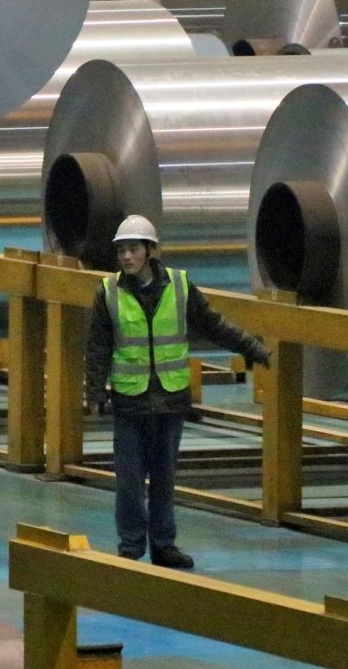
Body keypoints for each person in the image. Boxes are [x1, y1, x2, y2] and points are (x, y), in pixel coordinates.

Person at [85, 215, 270, 569]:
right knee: (128, 482)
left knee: (165, 479)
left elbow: (214, 325)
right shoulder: (108, 293)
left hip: (170, 400)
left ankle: (164, 545)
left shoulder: (181, 287)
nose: (126, 257)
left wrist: (253, 348)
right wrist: (95, 391)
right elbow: (97, 346)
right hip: (130, 400)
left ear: (151, 251)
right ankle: (131, 546)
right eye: (121, 250)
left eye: (133, 249)